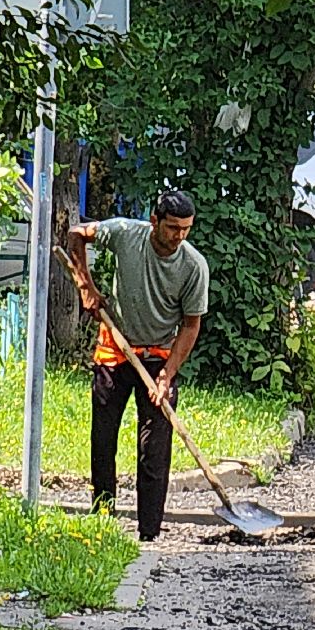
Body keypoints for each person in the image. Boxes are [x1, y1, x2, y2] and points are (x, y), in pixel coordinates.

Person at [67, 190, 210, 542]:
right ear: (154, 222)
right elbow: (75, 234)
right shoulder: (125, 234)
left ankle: (149, 533)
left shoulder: (193, 266)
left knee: (154, 448)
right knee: (103, 441)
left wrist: (167, 376)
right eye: (173, 228)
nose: (179, 236)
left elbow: (191, 326)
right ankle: (102, 519)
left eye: (186, 229)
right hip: (116, 350)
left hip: (160, 354)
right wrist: (85, 285)